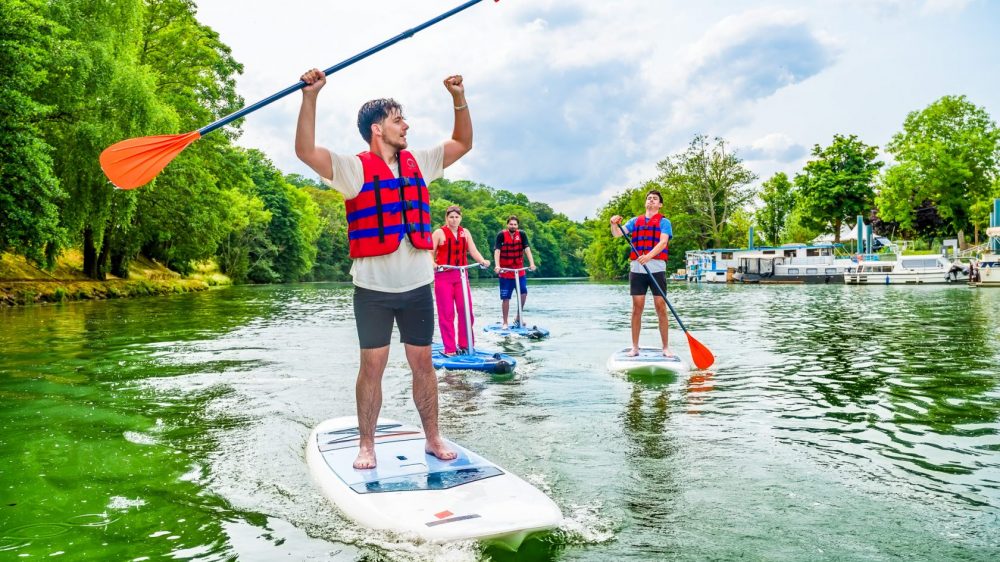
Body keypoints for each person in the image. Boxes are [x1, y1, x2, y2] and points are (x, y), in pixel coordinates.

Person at [295, 67, 472, 469]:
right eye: (398, 120)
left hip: (417, 288)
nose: (405, 126)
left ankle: (432, 437)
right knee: (371, 367)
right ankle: (366, 444)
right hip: (373, 292)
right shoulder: (352, 169)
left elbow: (463, 141)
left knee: (423, 364)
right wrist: (311, 97)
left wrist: (458, 98)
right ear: (378, 129)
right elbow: (306, 152)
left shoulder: (420, 162)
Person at [610, 190, 673, 357]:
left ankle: (665, 347)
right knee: (637, 308)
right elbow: (617, 234)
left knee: (661, 307)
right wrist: (613, 223)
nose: (651, 200)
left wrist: (649, 256)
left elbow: (663, 242)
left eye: (655, 199)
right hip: (637, 271)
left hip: (657, 269)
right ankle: (635, 347)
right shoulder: (634, 221)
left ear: (660, 204)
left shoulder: (664, 222)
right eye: (649, 198)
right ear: (646, 202)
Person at [431, 205, 490, 356]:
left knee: (466, 311)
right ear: (446, 218)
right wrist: (434, 265)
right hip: (444, 276)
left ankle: (465, 345)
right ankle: (450, 349)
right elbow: (429, 253)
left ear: (461, 218)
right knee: (447, 313)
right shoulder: (439, 233)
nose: (454, 219)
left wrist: (482, 261)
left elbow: (473, 251)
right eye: (451, 217)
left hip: (461, 276)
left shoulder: (466, 233)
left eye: (457, 217)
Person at [493, 215, 537, 329]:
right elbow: (497, 251)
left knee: (523, 293)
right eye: (511, 224)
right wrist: (497, 265)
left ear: (518, 226)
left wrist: (532, 263)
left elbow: (527, 249)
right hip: (506, 271)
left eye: (515, 224)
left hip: (519, 270)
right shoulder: (501, 235)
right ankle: (505, 322)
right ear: (507, 224)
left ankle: (518, 317)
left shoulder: (521, 234)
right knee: (505, 297)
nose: (513, 226)